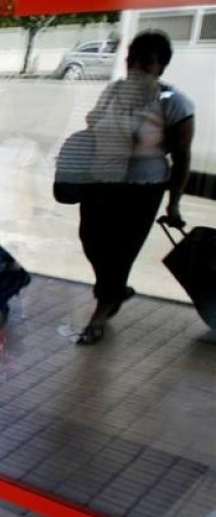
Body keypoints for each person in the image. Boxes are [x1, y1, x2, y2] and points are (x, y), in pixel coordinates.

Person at [75, 30, 193, 345]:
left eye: (147, 61)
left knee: (121, 250)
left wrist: (174, 204)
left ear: (161, 67)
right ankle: (114, 291)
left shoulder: (174, 103)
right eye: (132, 59)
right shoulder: (114, 92)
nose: (137, 66)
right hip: (101, 181)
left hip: (143, 189)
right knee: (91, 239)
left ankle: (102, 311)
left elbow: (182, 159)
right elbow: (92, 126)